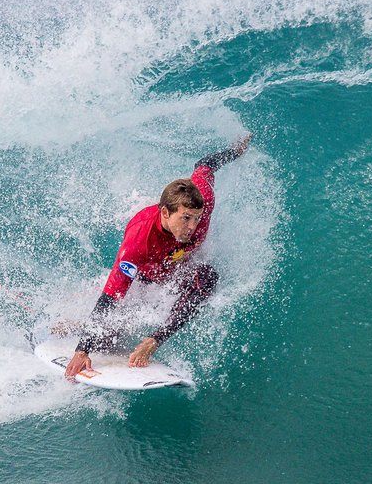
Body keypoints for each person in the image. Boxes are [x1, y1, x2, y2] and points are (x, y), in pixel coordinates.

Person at [63, 133, 253, 379]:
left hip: (179, 267)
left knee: (208, 278)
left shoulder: (201, 198)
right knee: (108, 340)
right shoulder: (139, 241)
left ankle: (153, 340)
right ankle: (75, 328)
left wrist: (234, 152)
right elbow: (111, 295)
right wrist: (82, 350)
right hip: (147, 279)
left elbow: (205, 166)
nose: (193, 227)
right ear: (165, 212)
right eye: (186, 218)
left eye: (196, 218)